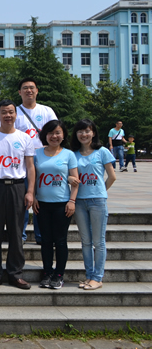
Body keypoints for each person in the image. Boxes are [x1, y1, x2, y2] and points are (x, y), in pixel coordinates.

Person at [0, 100, 35, 290]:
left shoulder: (24, 137)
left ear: (16, 115)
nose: (8, 115)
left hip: (17, 187)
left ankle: (15, 273)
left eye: (11, 112)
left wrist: (30, 191)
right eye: (4, 112)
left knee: (16, 233)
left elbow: (30, 167)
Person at [71, 119, 117, 291]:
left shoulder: (102, 151)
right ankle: (89, 275)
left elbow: (112, 176)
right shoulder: (73, 154)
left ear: (93, 133)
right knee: (85, 241)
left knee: (99, 241)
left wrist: (100, 191)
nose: (84, 134)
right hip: (79, 202)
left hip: (97, 201)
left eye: (87, 131)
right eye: (80, 131)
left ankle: (98, 277)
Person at [33, 120, 78, 290]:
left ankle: (59, 275)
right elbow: (33, 178)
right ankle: (47, 272)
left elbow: (75, 181)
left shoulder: (69, 154)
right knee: (45, 241)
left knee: (60, 241)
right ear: (45, 135)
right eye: (51, 133)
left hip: (62, 204)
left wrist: (72, 201)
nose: (54, 136)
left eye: (58, 133)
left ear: (63, 135)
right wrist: (34, 197)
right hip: (42, 204)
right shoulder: (37, 153)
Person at [15, 78, 57, 245]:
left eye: (32, 88)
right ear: (19, 92)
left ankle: (41, 236)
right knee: (23, 199)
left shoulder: (47, 111)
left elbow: (55, 131)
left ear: (37, 91)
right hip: (20, 162)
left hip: (43, 160)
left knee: (42, 200)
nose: (29, 91)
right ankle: (21, 235)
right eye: (25, 88)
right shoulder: (15, 112)